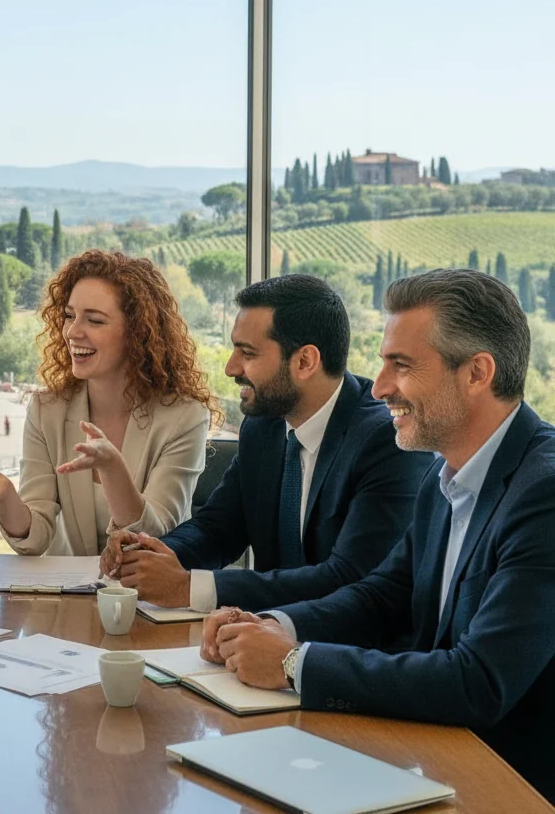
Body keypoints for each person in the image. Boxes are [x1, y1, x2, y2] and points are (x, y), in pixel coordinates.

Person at [200, 270, 555, 803]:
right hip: (430, 759)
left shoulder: (544, 492)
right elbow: (381, 596)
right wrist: (270, 625)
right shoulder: (446, 471)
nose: (381, 384)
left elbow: (478, 682)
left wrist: (294, 663)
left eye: (402, 365)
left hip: (510, 785)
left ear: (477, 372)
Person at [101, 274, 431, 612]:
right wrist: (149, 552)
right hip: (260, 637)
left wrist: (189, 588)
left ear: (305, 362)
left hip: (343, 650)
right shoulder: (263, 425)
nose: (231, 368)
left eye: (248, 353)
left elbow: (349, 578)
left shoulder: (386, 441)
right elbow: (218, 529)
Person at [0, 250, 214, 556]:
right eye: (69, 315)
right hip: (68, 599)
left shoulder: (185, 418)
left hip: (148, 598)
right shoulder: (46, 409)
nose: (73, 332)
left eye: (94, 320)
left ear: (137, 333)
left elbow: (156, 537)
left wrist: (112, 468)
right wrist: (7, 495)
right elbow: (35, 539)